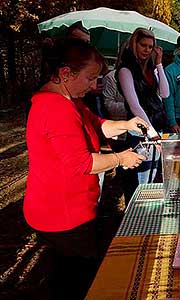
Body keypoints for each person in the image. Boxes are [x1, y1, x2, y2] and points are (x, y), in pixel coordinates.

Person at [25, 38, 149, 300]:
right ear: (65, 73)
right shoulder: (55, 107)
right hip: (63, 213)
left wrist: (126, 124)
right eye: (90, 78)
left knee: (69, 274)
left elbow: (98, 124)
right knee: (79, 280)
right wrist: (120, 158)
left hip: (66, 209)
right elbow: (84, 163)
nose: (94, 86)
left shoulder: (69, 101)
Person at [116, 28, 169, 201]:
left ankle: (147, 216)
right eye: (143, 45)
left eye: (150, 47)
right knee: (140, 178)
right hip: (140, 130)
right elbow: (134, 106)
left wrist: (159, 64)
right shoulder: (125, 70)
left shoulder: (151, 69)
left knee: (152, 176)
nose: (146, 50)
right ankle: (136, 216)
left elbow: (165, 93)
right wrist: (152, 134)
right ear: (134, 45)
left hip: (157, 128)